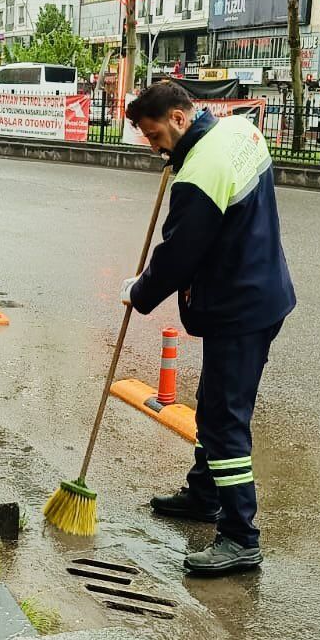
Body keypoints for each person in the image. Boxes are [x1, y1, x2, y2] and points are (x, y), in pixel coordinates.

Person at [122, 81, 295, 576]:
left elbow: (178, 256)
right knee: (215, 400)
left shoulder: (199, 175)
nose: (155, 149)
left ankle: (240, 536)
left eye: (157, 136)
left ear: (180, 118)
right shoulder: (240, 131)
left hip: (241, 308)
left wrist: (139, 292)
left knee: (223, 421)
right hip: (260, 288)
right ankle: (204, 495)